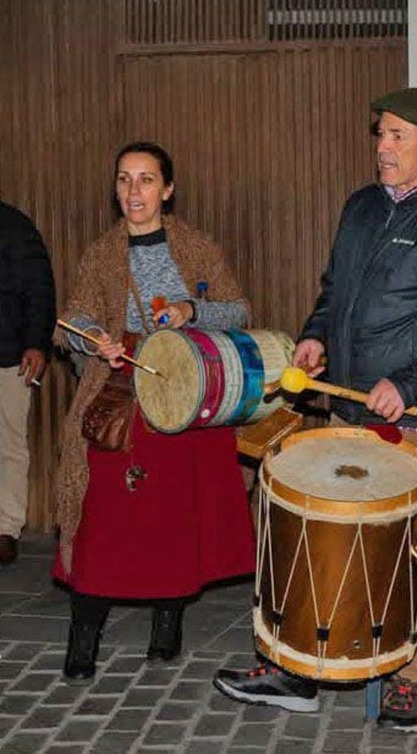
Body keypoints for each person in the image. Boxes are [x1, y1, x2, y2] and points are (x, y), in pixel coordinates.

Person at [213, 87, 417, 728]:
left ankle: (412, 672)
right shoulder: (362, 207)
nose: (383, 146)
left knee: (413, 549)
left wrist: (409, 382)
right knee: (325, 536)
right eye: (382, 133)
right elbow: (335, 290)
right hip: (349, 411)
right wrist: (316, 332)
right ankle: (299, 664)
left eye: (400, 136)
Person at [53, 141, 256, 682]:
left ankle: (168, 627)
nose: (133, 192)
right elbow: (71, 316)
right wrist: (95, 337)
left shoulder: (196, 246)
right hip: (121, 395)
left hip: (185, 396)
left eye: (145, 180)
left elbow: (237, 309)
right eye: (124, 180)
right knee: (100, 522)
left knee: (174, 520)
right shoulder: (102, 252)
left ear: (167, 190)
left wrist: (193, 309)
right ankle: (84, 635)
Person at [0, 202, 56, 565]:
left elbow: (39, 289)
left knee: (9, 443)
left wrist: (37, 344)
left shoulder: (13, 226)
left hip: (8, 354)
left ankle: (5, 528)